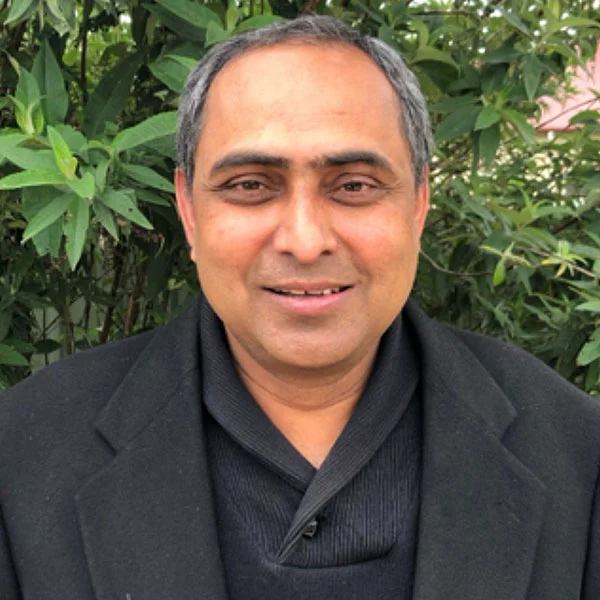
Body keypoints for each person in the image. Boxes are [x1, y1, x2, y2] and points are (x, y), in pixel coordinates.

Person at [1, 15, 599, 600]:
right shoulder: (23, 458)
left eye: (354, 185)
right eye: (251, 185)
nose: (306, 240)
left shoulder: (575, 455)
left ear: (418, 205)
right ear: (188, 210)